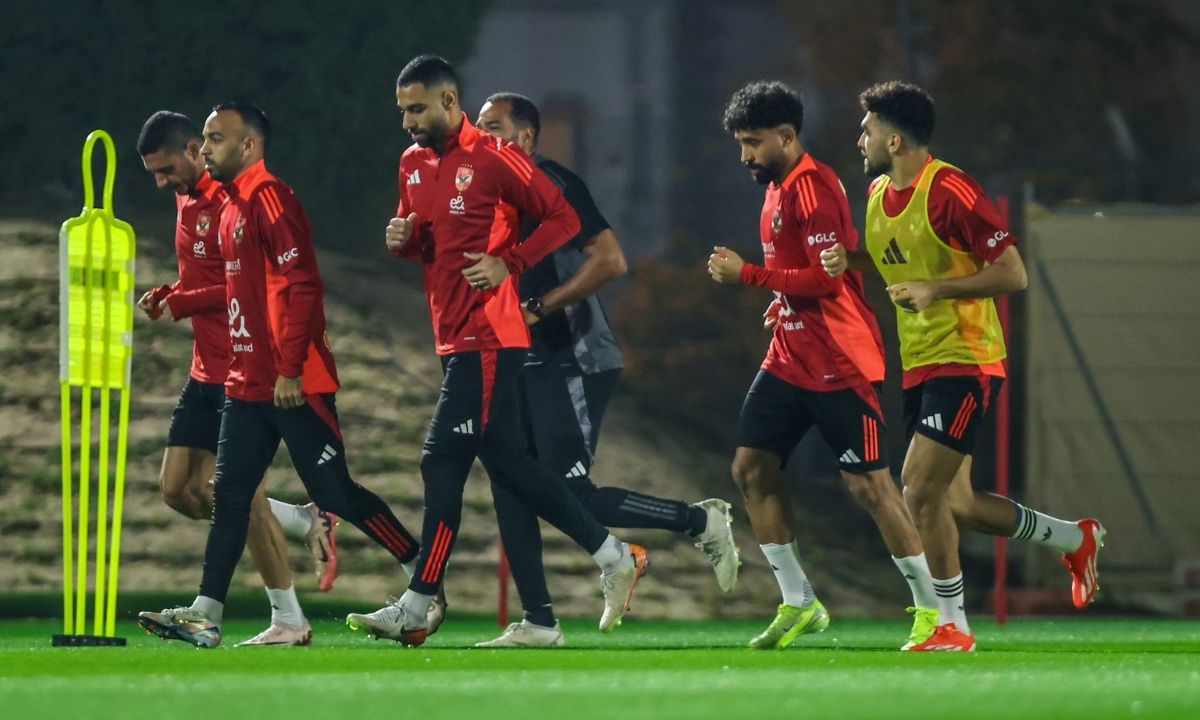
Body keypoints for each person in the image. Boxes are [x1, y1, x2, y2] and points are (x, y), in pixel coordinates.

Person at [346, 56, 646, 648]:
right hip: (451, 333)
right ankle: (607, 559)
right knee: (508, 467)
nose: (407, 121)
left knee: (440, 460)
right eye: (402, 110)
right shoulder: (411, 163)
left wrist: (509, 263)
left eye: (418, 108)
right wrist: (405, 240)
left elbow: (560, 219)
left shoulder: (494, 156)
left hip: (490, 335)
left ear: (450, 102)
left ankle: (420, 602)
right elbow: (432, 241)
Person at [821, 80, 1105, 651]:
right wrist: (847, 260)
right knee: (956, 504)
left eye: (868, 128)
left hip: (967, 359)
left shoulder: (950, 190)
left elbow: (1012, 272)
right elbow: (892, 262)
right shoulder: (878, 194)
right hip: (921, 365)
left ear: (895, 139)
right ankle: (1073, 539)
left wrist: (938, 290)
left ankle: (953, 625)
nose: (861, 138)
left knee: (917, 492)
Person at [137, 103, 421, 648]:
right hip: (243, 379)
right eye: (205, 138)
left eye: (215, 139)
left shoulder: (271, 199)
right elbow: (237, 293)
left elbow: (304, 287)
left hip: (292, 382)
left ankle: (422, 574)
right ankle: (206, 613)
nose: (207, 147)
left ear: (246, 147)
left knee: (336, 493)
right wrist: (181, 298)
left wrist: (290, 368)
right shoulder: (229, 208)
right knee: (232, 495)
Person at [467, 93, 739, 648]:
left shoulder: (552, 183)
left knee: (570, 490)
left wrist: (538, 308)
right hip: (523, 356)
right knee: (510, 482)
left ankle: (699, 523)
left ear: (524, 139)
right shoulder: (491, 195)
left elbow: (612, 259)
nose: (481, 137)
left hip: (574, 354)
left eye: (493, 128)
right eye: (477, 128)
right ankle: (539, 622)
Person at [708, 81, 941, 651]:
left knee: (871, 488)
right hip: (789, 357)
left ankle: (934, 610)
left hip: (842, 362)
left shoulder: (814, 187)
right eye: (741, 143)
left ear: (787, 137)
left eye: (754, 142)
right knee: (750, 468)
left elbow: (826, 277)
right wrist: (778, 301)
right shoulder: (776, 186)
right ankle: (799, 602)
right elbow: (800, 277)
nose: (746, 156)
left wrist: (750, 277)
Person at [135, 110, 337, 645]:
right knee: (179, 490)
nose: (161, 183)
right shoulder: (187, 199)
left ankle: (288, 619)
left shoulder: (234, 197)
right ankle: (299, 521)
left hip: (243, 367)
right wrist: (171, 291)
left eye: (164, 169)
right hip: (205, 363)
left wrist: (182, 301)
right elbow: (203, 274)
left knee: (237, 496)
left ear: (192, 151)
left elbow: (244, 286)